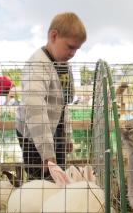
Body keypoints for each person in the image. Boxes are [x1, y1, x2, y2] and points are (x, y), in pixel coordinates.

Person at [16, 12, 86, 179]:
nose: (73, 53)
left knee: (59, 174)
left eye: (77, 49)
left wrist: (67, 134)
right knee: (41, 179)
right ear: (54, 36)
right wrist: (47, 153)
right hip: (33, 134)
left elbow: (63, 104)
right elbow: (34, 108)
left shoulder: (63, 64)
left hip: (56, 128)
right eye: (70, 47)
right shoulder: (38, 64)